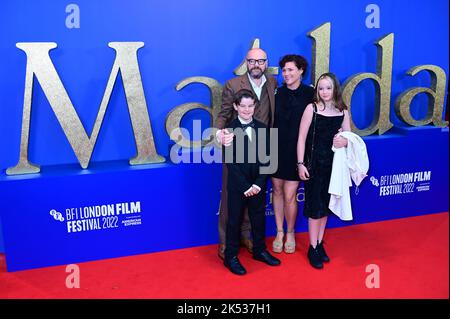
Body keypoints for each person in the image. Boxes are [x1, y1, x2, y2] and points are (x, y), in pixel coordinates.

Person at [215, 48, 278, 260]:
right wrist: (219, 135)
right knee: (231, 197)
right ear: (246, 63)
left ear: (266, 62)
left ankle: (248, 237)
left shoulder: (272, 82)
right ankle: (226, 242)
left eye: (261, 61)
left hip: (261, 144)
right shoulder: (233, 85)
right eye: (252, 61)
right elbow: (223, 114)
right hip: (236, 145)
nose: (256, 65)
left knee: (256, 197)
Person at [223, 89, 281, 275]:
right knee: (234, 221)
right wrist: (245, 186)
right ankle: (230, 256)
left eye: (250, 106)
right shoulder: (228, 131)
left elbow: (269, 160)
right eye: (243, 106)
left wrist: (257, 184)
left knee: (258, 218)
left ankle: (259, 250)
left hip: (258, 184)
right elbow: (230, 162)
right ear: (236, 107)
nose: (247, 110)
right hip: (238, 186)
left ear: (255, 106)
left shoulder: (264, 129)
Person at [296, 72, 351, 269]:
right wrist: (300, 164)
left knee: (326, 206)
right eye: (321, 88)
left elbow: (349, 139)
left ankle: (319, 244)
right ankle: (312, 247)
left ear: (335, 88)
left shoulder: (343, 111)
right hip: (313, 166)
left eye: (328, 88)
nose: (325, 92)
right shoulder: (311, 109)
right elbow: (301, 138)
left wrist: (343, 141)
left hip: (334, 167)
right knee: (314, 208)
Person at [271, 54, 314, 254]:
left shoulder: (310, 94)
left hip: (297, 151)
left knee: (290, 195)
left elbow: (324, 115)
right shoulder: (276, 93)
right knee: (277, 191)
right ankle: (279, 231)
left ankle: (290, 232)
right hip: (275, 149)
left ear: (301, 70)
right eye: (284, 70)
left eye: (290, 69)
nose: (286, 73)